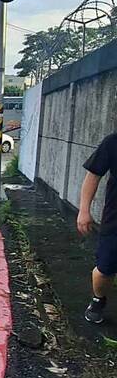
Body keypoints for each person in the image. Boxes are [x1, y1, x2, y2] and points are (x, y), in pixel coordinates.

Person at [78, 133, 117, 324]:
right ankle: (98, 299)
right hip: (114, 221)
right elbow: (93, 175)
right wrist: (84, 211)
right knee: (104, 270)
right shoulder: (113, 142)